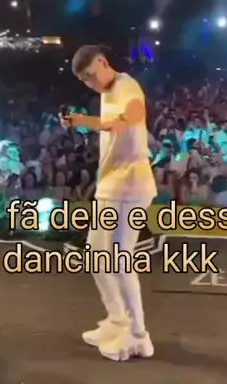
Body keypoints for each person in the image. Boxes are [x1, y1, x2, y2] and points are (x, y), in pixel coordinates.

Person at [60, 45, 157, 362]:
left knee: (119, 258)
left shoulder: (127, 87)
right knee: (96, 253)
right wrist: (81, 121)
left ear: (102, 62)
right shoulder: (107, 90)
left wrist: (88, 121)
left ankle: (138, 334)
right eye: (84, 81)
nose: (90, 84)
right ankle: (117, 320)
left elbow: (132, 115)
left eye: (91, 76)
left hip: (131, 186)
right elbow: (112, 123)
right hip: (111, 186)